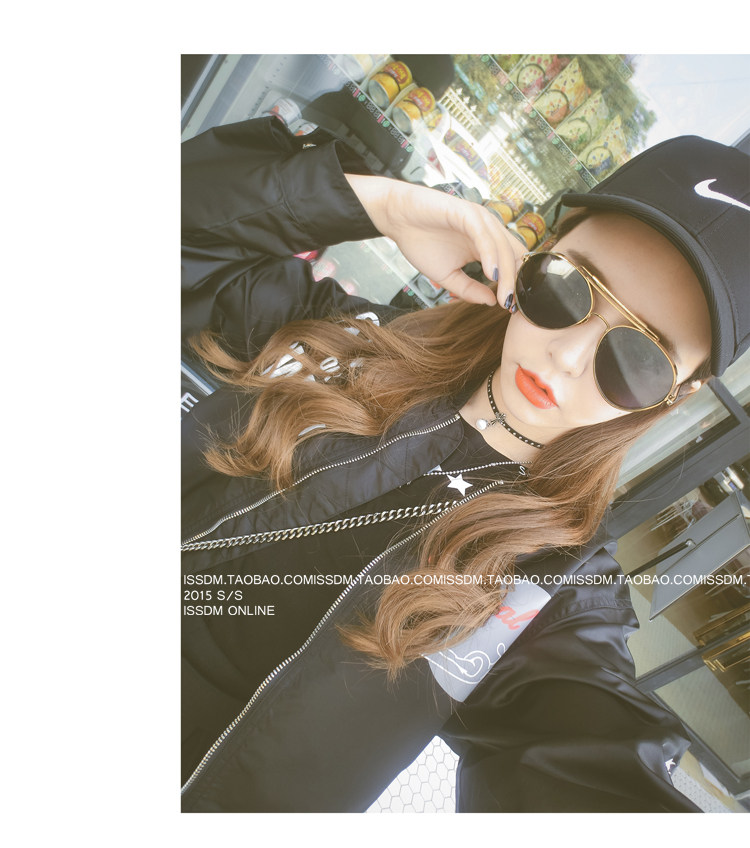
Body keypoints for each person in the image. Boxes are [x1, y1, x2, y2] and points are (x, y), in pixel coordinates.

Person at [180, 116, 749, 813]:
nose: (567, 356)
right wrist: (380, 205)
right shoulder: (357, 339)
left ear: (678, 394)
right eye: (569, 287)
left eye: (640, 358)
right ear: (536, 253)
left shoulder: (552, 592)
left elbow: (583, 760)